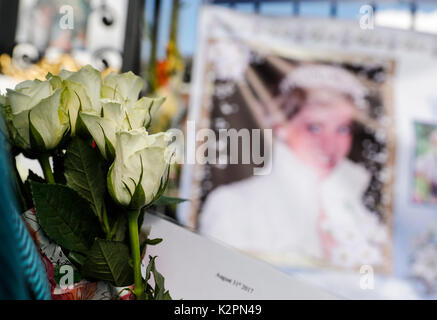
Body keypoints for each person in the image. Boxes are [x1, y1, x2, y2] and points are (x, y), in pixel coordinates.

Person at [199, 64, 388, 269]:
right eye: (314, 127)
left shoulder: (357, 211)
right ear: (281, 127)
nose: (329, 144)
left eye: (342, 129)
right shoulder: (233, 205)